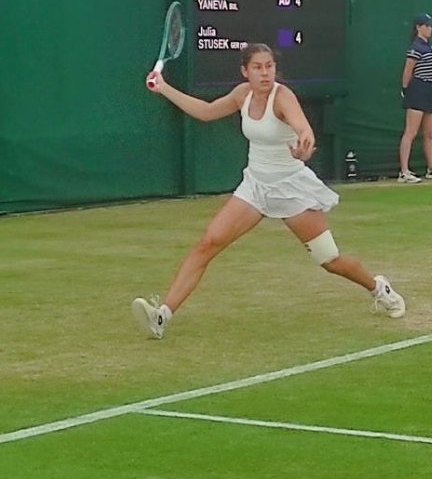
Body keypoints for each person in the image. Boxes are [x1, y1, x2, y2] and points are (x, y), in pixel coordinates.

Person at [133, 44, 406, 338]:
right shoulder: (242, 94)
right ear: (245, 71)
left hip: (291, 189)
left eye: (269, 66)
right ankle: (162, 316)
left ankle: (379, 288)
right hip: (255, 187)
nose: (265, 73)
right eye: (257, 67)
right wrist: (164, 88)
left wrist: (304, 145)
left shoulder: (283, 96)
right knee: (207, 244)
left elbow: (303, 129)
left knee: (329, 260)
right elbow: (206, 112)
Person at [398, 13, 432, 184]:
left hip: (430, 90)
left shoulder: (430, 47)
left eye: (431, 25)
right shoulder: (416, 47)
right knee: (411, 132)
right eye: (426, 25)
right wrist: (405, 90)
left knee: (429, 133)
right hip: (417, 90)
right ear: (418, 28)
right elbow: (408, 71)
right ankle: (404, 172)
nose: (430, 29)